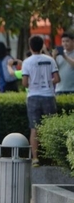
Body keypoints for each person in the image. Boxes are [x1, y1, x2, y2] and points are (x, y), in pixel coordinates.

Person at [22, 35, 60, 167]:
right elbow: (57, 78)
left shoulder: (27, 62)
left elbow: (25, 83)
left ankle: (35, 158)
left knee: (34, 128)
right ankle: (54, 157)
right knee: (51, 127)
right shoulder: (50, 60)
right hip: (49, 96)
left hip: (33, 96)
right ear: (42, 45)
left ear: (30, 47)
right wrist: (48, 82)